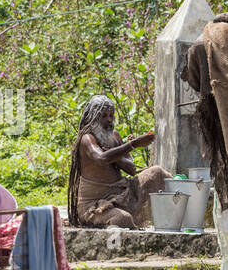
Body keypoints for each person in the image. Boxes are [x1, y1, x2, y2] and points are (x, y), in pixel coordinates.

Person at [67, 95, 168, 228]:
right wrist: (133, 144)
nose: (109, 120)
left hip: (122, 194)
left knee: (157, 172)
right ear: (92, 118)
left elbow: (131, 169)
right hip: (95, 204)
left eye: (111, 115)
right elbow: (102, 159)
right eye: (103, 116)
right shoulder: (87, 139)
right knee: (122, 219)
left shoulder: (115, 136)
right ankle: (104, 220)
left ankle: (186, 211)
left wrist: (117, 157)